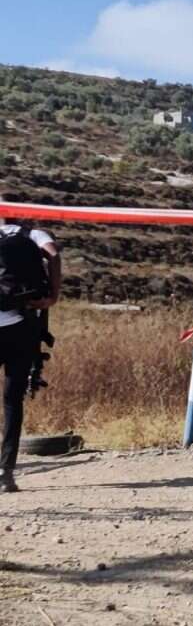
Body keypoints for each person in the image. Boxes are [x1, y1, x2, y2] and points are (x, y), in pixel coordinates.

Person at [0, 199, 61, 493]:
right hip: (21, 326)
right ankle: (6, 472)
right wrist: (52, 295)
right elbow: (54, 255)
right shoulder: (34, 234)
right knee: (13, 400)